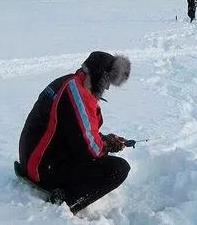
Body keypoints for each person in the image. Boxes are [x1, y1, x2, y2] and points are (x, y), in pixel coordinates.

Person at [17, 51, 132, 214]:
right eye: (107, 81)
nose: (107, 87)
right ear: (98, 75)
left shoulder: (73, 84)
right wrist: (106, 145)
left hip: (42, 157)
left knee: (98, 157)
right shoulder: (77, 95)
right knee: (118, 169)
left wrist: (104, 139)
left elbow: (77, 132)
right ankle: (64, 203)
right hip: (42, 168)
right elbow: (91, 149)